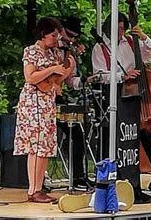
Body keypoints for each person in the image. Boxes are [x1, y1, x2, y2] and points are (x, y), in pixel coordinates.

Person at [91, 11, 151, 204]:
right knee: (118, 142)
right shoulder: (100, 48)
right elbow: (99, 75)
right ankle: (117, 184)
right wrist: (122, 76)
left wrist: (144, 38)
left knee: (131, 142)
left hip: (133, 95)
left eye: (123, 28)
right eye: (117, 28)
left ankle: (134, 186)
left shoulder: (130, 42)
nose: (121, 32)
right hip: (113, 97)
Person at [13, 17, 76, 203]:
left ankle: (39, 187)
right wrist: (52, 69)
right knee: (36, 146)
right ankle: (33, 190)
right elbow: (30, 77)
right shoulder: (31, 51)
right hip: (33, 103)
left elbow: (55, 81)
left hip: (47, 102)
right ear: (43, 34)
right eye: (53, 35)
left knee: (46, 147)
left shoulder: (53, 54)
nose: (56, 39)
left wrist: (68, 68)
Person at [58, 16, 93, 191]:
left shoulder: (67, 51)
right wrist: (69, 60)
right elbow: (58, 75)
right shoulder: (53, 49)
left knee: (77, 134)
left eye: (74, 37)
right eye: (69, 35)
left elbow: (71, 82)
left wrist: (85, 80)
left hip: (58, 96)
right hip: (45, 97)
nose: (71, 40)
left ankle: (79, 177)